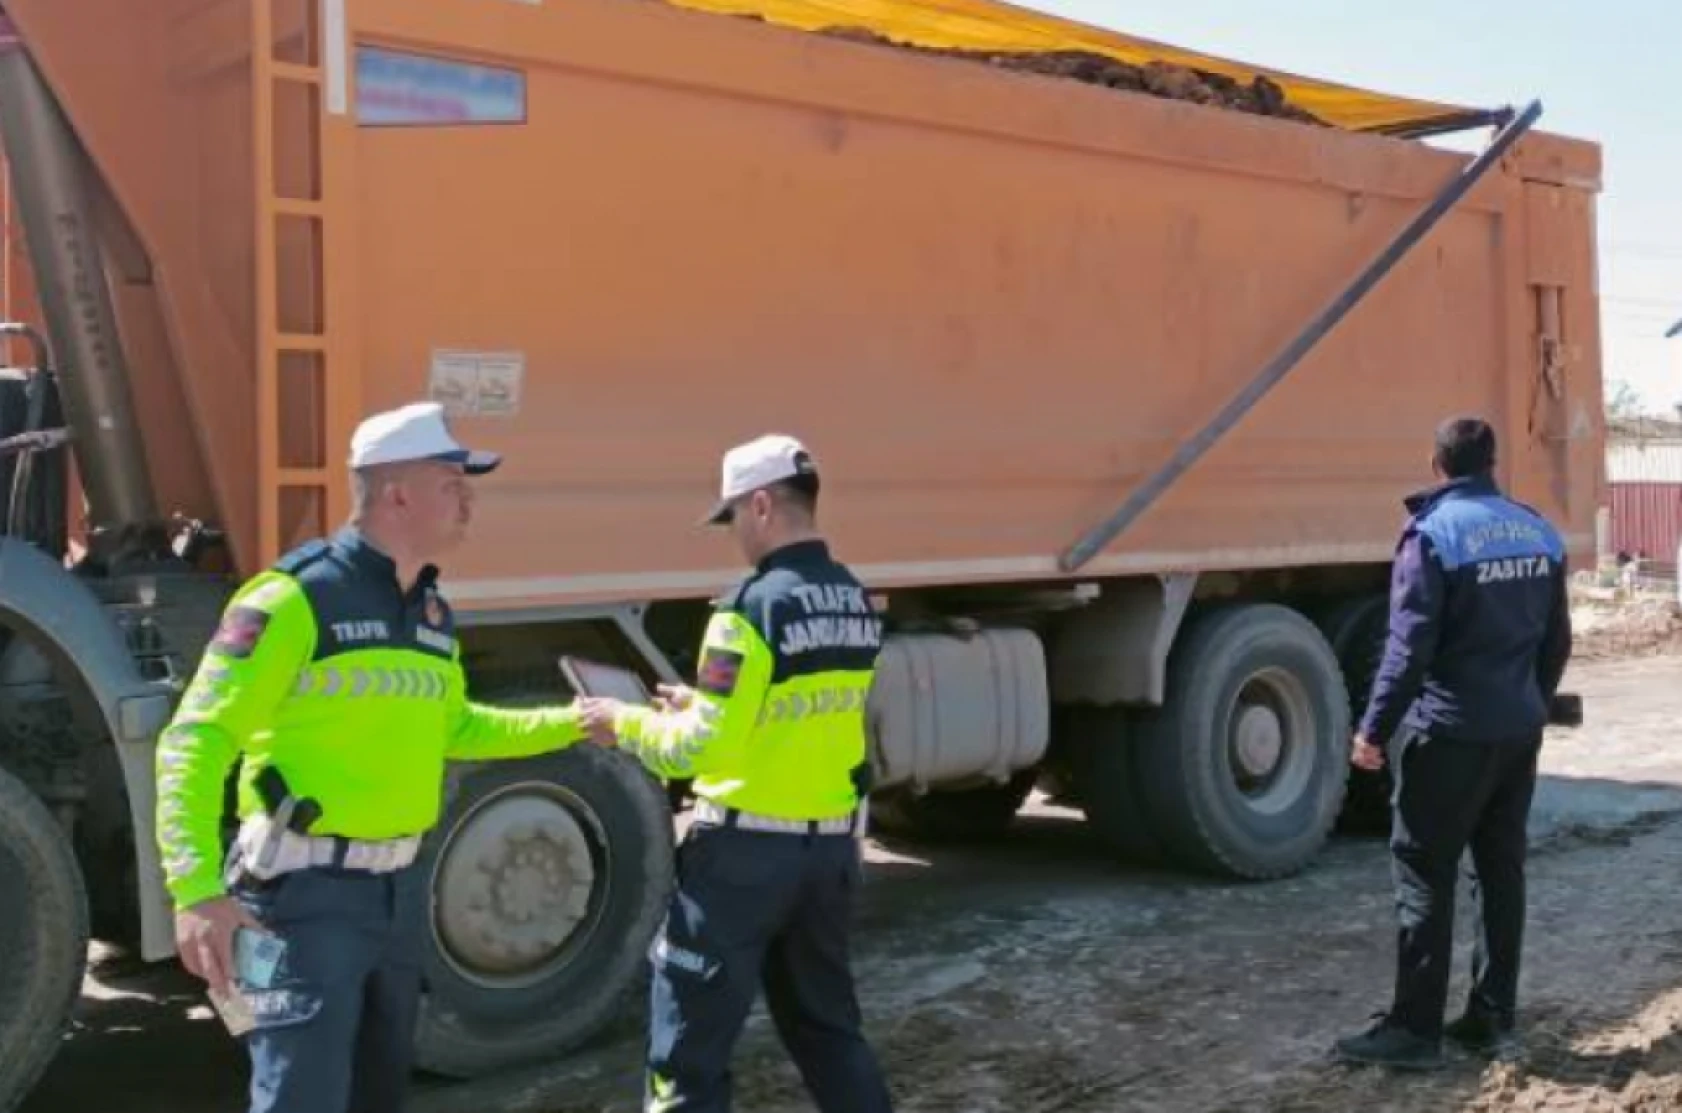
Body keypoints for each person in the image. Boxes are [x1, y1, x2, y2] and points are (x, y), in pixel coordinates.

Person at [154, 401, 599, 1113]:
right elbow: (197, 737)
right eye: (454, 483)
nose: (469, 500)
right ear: (398, 493)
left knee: (375, 1095)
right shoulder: (293, 597)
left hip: (394, 897)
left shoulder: (428, 612)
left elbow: (456, 726)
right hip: (299, 905)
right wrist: (195, 889)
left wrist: (575, 723)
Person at [578, 433, 895, 1113]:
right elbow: (805, 714)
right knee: (830, 1035)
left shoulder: (745, 609)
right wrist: (703, 702)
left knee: (686, 1057)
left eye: (731, 522)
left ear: (760, 505)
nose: (733, 539)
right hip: (827, 854)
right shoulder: (854, 598)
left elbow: (696, 752)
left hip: (742, 864)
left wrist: (625, 724)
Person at [1334, 416, 1573, 1069]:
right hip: (1516, 731)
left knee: (1422, 868)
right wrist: (1530, 702)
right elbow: (1558, 640)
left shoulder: (1431, 536)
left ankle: (1414, 1031)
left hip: (1447, 733)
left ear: (1436, 465)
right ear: (1493, 463)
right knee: (1500, 869)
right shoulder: (1539, 529)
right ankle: (1491, 1016)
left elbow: (1408, 649)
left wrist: (1373, 729)